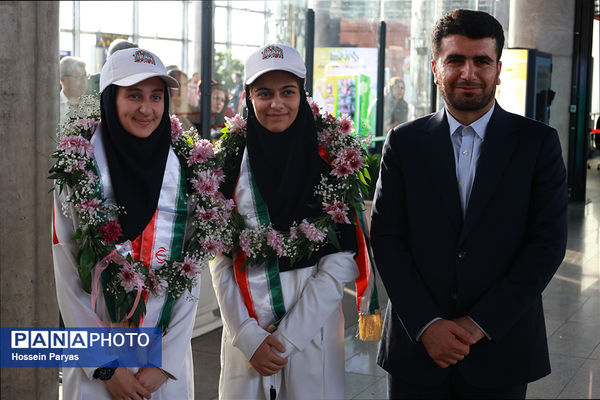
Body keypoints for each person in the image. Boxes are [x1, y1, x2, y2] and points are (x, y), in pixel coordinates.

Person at [370, 9, 567, 398]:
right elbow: (387, 238)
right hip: (416, 348)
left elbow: (546, 245)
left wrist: (478, 324)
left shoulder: (537, 144)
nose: (469, 73)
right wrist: (428, 325)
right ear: (435, 68)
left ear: (498, 68)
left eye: (482, 61)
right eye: (455, 60)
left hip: (501, 345)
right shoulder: (404, 143)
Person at [209, 43, 379, 399]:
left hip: (312, 328)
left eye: (287, 92)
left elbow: (340, 260)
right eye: (264, 93)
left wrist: (287, 339)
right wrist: (248, 336)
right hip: (248, 328)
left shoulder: (329, 160)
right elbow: (220, 259)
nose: (276, 104)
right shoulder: (228, 162)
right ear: (248, 96)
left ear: (302, 94)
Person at [52, 47, 200, 399]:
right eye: (133, 95)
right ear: (109, 99)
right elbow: (67, 278)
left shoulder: (188, 170)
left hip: (162, 367)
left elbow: (193, 271)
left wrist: (165, 362)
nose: (147, 109)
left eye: (156, 96)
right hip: (99, 370)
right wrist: (106, 367)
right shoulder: (78, 170)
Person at [59, 56, 88, 123]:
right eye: (78, 76)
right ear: (63, 80)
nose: (84, 80)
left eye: (85, 75)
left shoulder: (91, 105)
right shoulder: (54, 106)